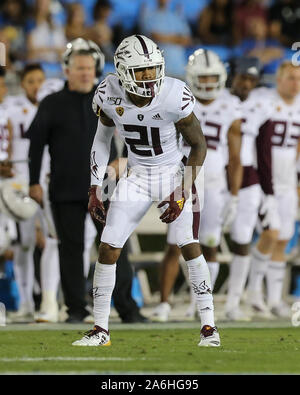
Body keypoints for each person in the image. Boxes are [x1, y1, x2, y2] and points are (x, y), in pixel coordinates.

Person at [72, 34, 220, 347]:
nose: (149, 77)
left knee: (189, 244)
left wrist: (182, 189)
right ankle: (100, 329)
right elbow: (102, 139)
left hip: (173, 172)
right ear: (124, 71)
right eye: (141, 71)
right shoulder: (108, 92)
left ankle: (209, 327)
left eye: (153, 69)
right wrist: (96, 185)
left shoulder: (173, 93)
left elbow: (199, 144)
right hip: (137, 175)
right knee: (108, 245)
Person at [28, 38, 147, 324]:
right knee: (70, 250)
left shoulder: (111, 98)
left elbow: (138, 129)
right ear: (66, 70)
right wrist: (33, 182)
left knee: (116, 245)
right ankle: (76, 310)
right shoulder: (51, 104)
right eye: (79, 67)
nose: (85, 72)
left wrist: (126, 160)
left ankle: (127, 308)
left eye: (89, 67)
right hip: (65, 186)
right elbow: (35, 144)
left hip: (105, 185)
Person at [151, 49, 243, 322]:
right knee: (175, 243)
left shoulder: (231, 105)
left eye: (212, 76)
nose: (206, 82)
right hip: (185, 178)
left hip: (215, 183)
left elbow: (235, 155)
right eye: (202, 77)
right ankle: (164, 303)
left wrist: (234, 195)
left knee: (211, 243)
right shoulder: (178, 97)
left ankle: (197, 303)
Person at [224, 57, 280, 321]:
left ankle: (234, 302)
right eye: (242, 77)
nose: (246, 83)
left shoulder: (261, 106)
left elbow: (264, 150)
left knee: (243, 237)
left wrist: (268, 191)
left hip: (247, 175)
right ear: (231, 75)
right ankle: (198, 301)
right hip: (214, 173)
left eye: (251, 79)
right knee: (201, 238)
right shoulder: (217, 99)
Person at [246, 61, 300, 318]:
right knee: (270, 233)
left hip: (288, 182)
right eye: (291, 78)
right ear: (278, 80)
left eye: (298, 78)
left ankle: (275, 298)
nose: (295, 83)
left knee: (283, 239)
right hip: (264, 180)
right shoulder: (264, 101)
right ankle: (254, 293)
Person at [140, 0, 192, 79]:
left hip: (179, 69)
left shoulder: (177, 17)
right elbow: (154, 37)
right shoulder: (149, 16)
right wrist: (177, 38)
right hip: (160, 69)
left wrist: (164, 37)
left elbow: (187, 40)